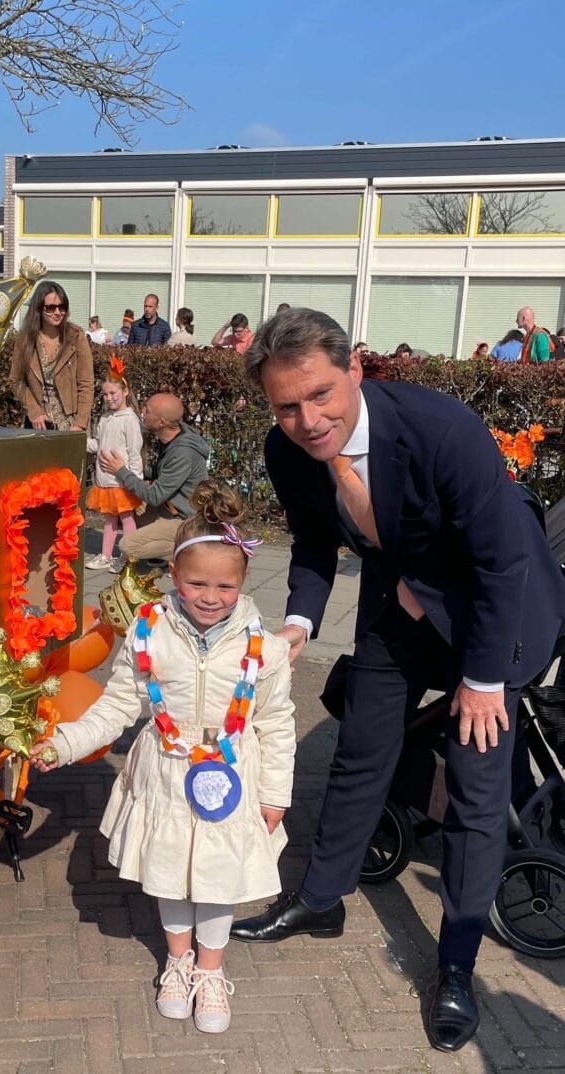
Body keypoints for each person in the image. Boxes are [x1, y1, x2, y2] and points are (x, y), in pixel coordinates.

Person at [229, 307, 565, 1054]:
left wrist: (482, 679)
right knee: (361, 749)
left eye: (320, 395)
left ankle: (456, 964)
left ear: (354, 369)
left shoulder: (441, 430)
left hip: (492, 616)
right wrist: (300, 622)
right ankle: (322, 899)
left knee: (476, 790)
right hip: (403, 602)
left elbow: (502, 562)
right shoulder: (287, 449)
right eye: (286, 407)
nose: (308, 421)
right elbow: (314, 543)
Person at [30, 480, 296, 1034]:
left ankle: (211, 971)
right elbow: (117, 705)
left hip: (232, 774)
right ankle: (178, 962)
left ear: (243, 581)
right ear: (174, 574)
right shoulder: (147, 632)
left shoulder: (264, 649)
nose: (210, 596)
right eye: (197, 582)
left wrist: (275, 793)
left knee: (219, 877)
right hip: (166, 773)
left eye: (225, 585)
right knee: (171, 873)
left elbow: (275, 723)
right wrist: (65, 743)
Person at [99, 393, 209, 564]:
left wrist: (121, 471)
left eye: (147, 410)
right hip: (168, 509)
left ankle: (189, 548)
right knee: (124, 517)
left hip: (186, 518)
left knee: (128, 546)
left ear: (161, 422)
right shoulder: (171, 439)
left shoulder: (183, 452)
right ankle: (167, 544)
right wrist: (133, 467)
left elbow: (154, 496)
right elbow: (159, 472)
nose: (142, 412)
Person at [84, 357, 143, 573]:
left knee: (127, 519)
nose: (109, 398)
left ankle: (128, 556)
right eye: (105, 394)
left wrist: (135, 480)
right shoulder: (105, 418)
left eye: (113, 393)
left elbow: (134, 452)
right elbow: (98, 444)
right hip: (105, 481)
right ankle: (106, 556)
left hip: (122, 481)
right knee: (109, 520)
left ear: (125, 391)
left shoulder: (129, 420)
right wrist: (81, 441)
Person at [10, 281, 94, 432]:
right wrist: (34, 410)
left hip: (71, 422)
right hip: (39, 424)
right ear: (39, 308)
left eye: (62, 307)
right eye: (50, 307)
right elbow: (16, 380)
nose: (57, 312)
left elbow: (86, 384)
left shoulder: (76, 336)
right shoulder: (25, 339)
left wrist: (80, 424)